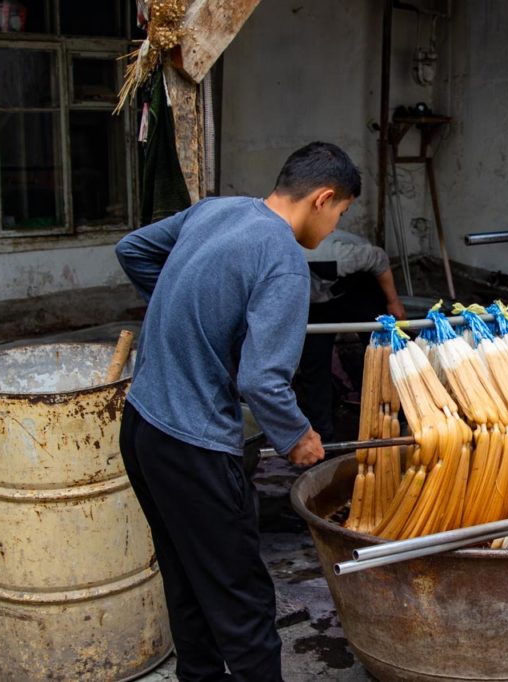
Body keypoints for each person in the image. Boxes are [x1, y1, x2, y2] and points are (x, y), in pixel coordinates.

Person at [114, 141, 361, 681]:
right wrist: (298, 436)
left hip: (140, 427)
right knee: (242, 600)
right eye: (341, 213)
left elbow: (132, 249)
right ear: (323, 198)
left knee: (186, 579)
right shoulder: (284, 262)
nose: (334, 227)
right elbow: (261, 381)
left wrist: (190, 311)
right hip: (194, 448)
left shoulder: (215, 210)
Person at [297, 232, 406, 441]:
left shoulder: (330, 255)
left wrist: (393, 302)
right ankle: (322, 437)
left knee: (383, 353)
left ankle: (398, 419)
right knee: (313, 361)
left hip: (357, 287)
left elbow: (378, 258)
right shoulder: (270, 264)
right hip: (317, 301)